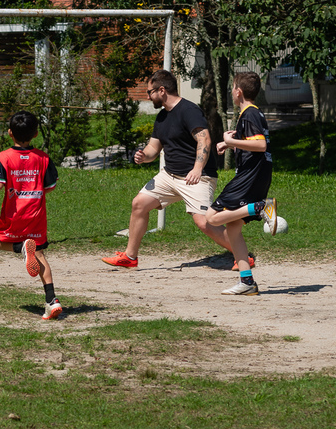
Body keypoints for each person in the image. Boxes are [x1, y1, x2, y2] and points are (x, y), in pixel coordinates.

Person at [101, 69, 235, 269]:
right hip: (169, 175)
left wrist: (197, 168)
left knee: (204, 223)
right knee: (139, 204)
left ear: (161, 90)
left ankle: (241, 254)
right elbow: (154, 148)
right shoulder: (162, 117)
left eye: (149, 92)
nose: (147, 97)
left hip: (197, 177)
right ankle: (130, 257)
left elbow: (204, 139)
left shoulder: (189, 110)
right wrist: (143, 156)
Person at [0, 110, 63, 320]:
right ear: (35, 134)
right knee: (40, 254)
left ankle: (20, 248)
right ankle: (52, 301)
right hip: (36, 215)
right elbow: (50, 187)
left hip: (14, 214)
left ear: (9, 133)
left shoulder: (5, 157)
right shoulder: (43, 158)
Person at [205, 71, 277, 296]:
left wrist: (229, 140)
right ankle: (247, 282)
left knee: (212, 217)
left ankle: (260, 207)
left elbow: (261, 145)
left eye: (233, 87)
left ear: (238, 91)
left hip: (250, 176)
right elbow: (252, 143)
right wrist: (230, 144)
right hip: (258, 173)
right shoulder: (251, 115)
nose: (231, 91)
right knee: (233, 230)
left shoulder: (249, 114)